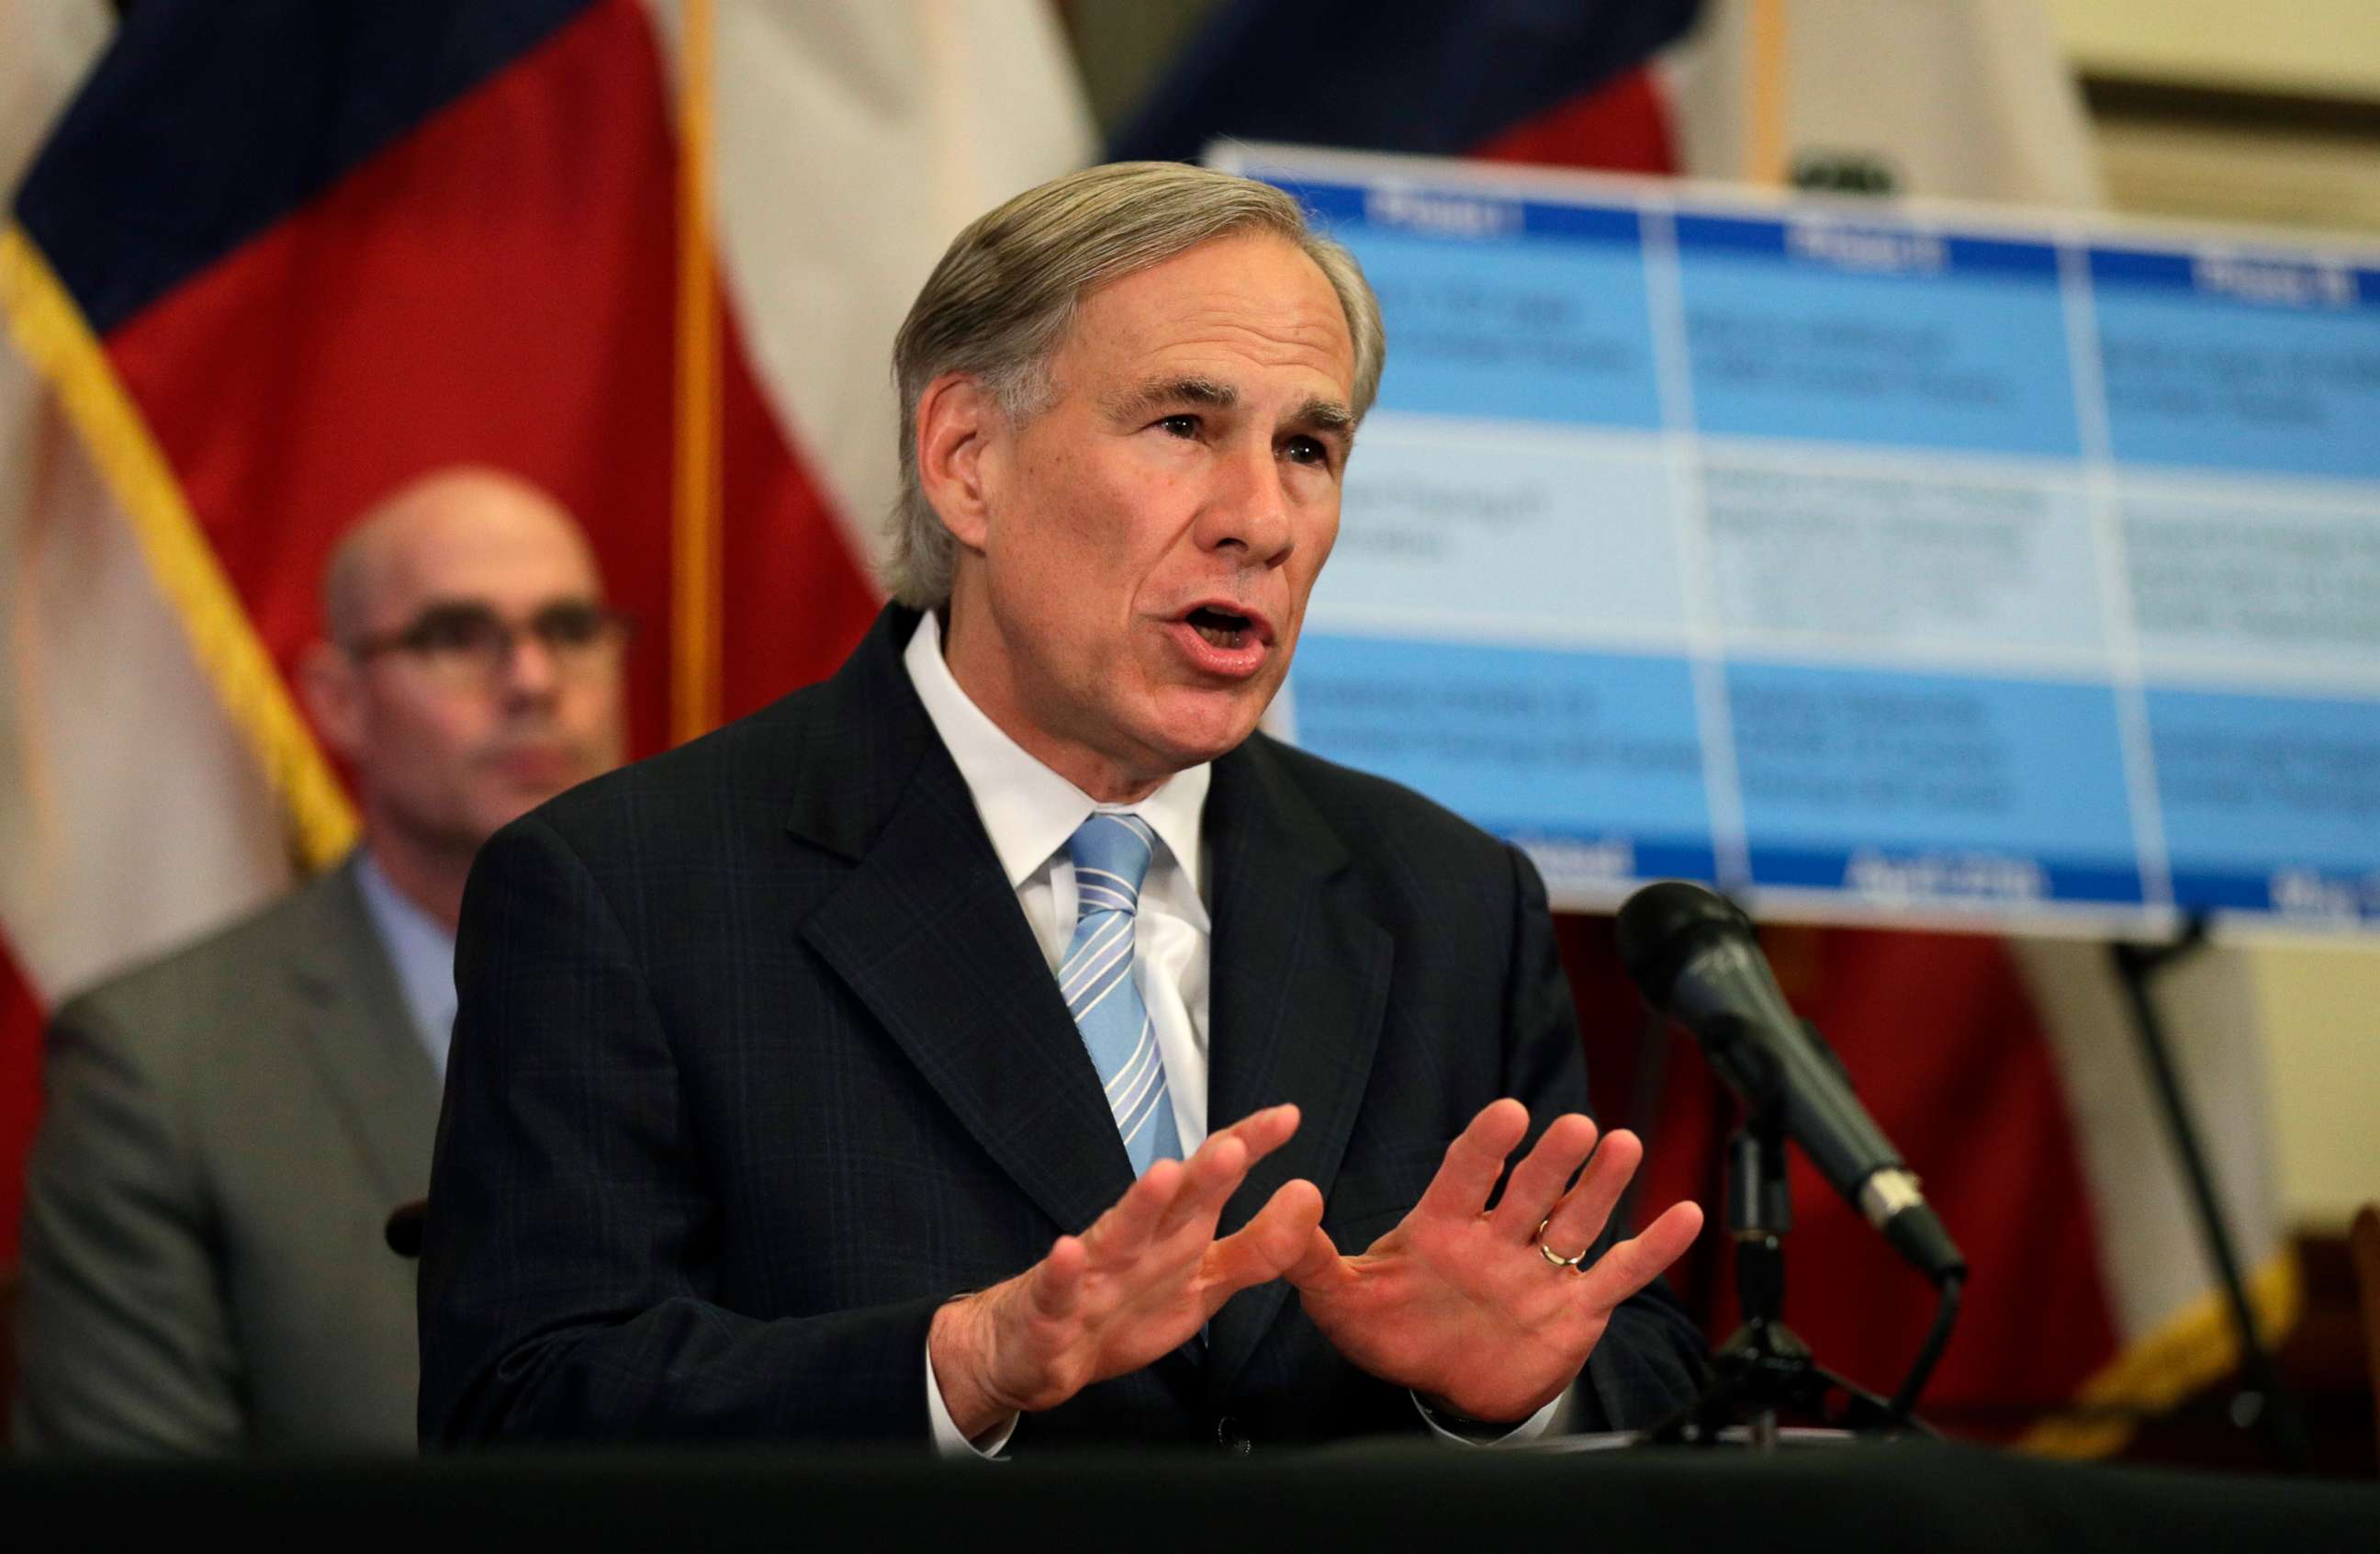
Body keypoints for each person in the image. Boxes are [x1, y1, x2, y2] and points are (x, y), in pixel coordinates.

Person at [419, 163, 1709, 1455]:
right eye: (1183, 427)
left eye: (1307, 449)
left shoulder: (1446, 901)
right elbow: (521, 1409)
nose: (1260, 519)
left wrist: (1507, 1391)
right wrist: (960, 1366)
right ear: (967, 462)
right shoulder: (629, 889)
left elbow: (1628, 1354)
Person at [12, 467, 629, 1453]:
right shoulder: (160, 1064)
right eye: (456, 637)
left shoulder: (771, 996)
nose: (533, 681)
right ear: (339, 704)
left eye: (569, 629)